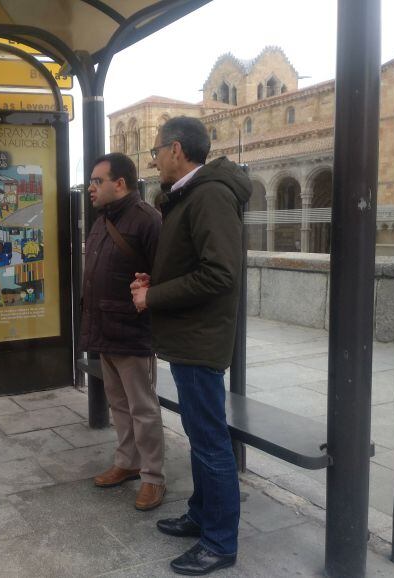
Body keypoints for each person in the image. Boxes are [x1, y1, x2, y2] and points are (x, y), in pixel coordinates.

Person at [131, 116, 251, 575]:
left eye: (157, 151)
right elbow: (194, 264)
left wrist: (153, 296)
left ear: (176, 150)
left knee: (209, 442)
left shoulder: (210, 196)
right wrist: (154, 282)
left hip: (201, 341)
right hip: (188, 337)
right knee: (202, 438)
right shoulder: (190, 195)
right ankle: (202, 515)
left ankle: (220, 543)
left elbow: (220, 274)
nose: (155, 159)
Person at [79, 152, 166, 512]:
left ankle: (153, 478)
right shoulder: (102, 220)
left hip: (133, 332)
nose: (90, 187)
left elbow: (165, 274)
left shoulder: (148, 220)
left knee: (143, 408)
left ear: (121, 183)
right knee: (119, 404)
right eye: (91, 181)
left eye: (98, 181)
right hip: (105, 329)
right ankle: (127, 462)